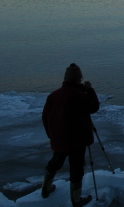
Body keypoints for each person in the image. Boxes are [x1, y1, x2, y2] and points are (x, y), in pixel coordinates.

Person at [41, 63, 100, 207]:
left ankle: (46, 188)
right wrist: (90, 90)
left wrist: (51, 135)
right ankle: (77, 199)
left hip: (59, 138)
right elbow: (94, 107)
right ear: (78, 79)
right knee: (76, 167)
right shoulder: (78, 96)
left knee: (55, 161)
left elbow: (45, 117)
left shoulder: (54, 96)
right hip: (76, 139)